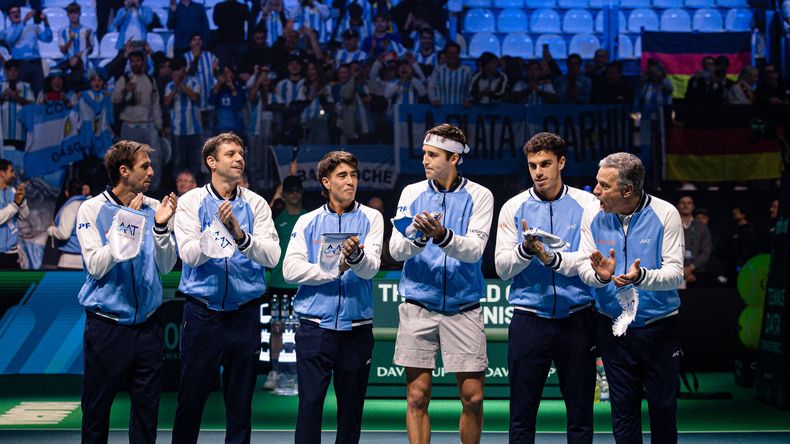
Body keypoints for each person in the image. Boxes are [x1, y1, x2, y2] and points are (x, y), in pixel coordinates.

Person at [172, 132, 281, 443]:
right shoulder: (191, 201)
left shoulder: (256, 204)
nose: (239, 158)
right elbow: (189, 255)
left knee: (240, 405)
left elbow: (272, 256)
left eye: (241, 153)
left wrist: (241, 236)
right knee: (190, 399)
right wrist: (218, 232)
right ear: (212, 162)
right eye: (231, 154)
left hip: (245, 315)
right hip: (202, 314)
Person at [389, 123, 493, 444]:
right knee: (417, 395)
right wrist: (420, 238)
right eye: (424, 153)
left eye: (433, 155)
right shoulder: (411, 193)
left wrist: (442, 234)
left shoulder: (480, 196)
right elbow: (396, 250)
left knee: (473, 397)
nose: (425, 160)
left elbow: (474, 250)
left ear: (454, 158)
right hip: (418, 305)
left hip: (464, 307)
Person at [495, 133, 599, 443]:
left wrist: (551, 258)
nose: (538, 172)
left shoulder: (588, 204)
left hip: (578, 320)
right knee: (521, 417)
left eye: (545, 164)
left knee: (581, 416)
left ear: (561, 162)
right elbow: (502, 269)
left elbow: (591, 257)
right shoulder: (513, 207)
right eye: (532, 165)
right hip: (528, 321)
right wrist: (525, 251)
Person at [76, 140, 178, 444]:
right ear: (124, 171)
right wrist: (125, 227)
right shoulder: (91, 209)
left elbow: (166, 266)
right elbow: (96, 266)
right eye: (144, 166)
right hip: (107, 327)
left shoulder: (155, 208)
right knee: (96, 413)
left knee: (147, 415)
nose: (152, 171)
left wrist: (161, 228)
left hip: (148, 327)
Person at [578, 152, 684, 443]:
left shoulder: (666, 213)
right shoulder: (592, 214)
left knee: (663, 408)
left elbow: (675, 273)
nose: (596, 191)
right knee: (623, 413)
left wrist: (642, 277)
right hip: (613, 330)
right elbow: (584, 269)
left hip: (659, 328)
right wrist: (600, 276)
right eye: (597, 183)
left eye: (604, 186)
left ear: (628, 190)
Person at [283, 151, 383, 443]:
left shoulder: (372, 218)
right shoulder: (307, 221)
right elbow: (290, 270)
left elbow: (371, 269)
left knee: (351, 413)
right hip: (314, 329)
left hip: (357, 330)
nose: (350, 181)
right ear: (326, 182)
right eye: (342, 176)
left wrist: (356, 257)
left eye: (353, 175)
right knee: (309, 406)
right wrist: (332, 271)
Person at [111, 50, 164, 191]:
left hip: (148, 125)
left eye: (138, 61)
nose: (135, 64)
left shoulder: (150, 80)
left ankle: (153, 189)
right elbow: (114, 99)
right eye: (133, 61)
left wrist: (159, 126)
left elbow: (156, 104)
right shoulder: (124, 79)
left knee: (156, 158)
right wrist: (125, 90)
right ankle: (130, 188)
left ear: (143, 62)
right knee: (128, 160)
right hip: (129, 126)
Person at [164, 57, 202, 180]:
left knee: (195, 162)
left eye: (178, 69)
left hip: (194, 130)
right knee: (178, 162)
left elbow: (194, 97)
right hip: (177, 130)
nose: (175, 72)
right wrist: (176, 86)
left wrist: (180, 84)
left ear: (185, 68)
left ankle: (196, 187)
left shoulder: (194, 82)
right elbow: (167, 102)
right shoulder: (170, 85)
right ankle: (179, 188)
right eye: (174, 70)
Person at [2, 5, 52, 95]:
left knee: (40, 93)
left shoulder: (33, 27)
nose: (16, 13)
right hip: (20, 65)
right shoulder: (6, 31)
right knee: (21, 93)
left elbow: (48, 38)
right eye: (13, 12)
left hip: (36, 63)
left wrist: (46, 22)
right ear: (9, 16)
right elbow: (12, 40)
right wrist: (24, 21)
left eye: (17, 11)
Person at [47, 179, 89, 270]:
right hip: (88, 262)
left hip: (69, 261)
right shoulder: (89, 206)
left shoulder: (70, 207)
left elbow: (64, 234)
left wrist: (51, 229)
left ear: (66, 192)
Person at [676, 196, 712, 287]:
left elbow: (706, 252)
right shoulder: (670, 225)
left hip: (697, 273)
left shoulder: (702, 227)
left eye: (689, 203)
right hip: (674, 272)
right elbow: (663, 249)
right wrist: (681, 270)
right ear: (678, 206)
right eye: (683, 203)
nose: (686, 205)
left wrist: (690, 268)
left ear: (693, 207)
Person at [0, 159, 28, 269]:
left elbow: (24, 216)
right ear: (2, 173)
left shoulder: (12, 191)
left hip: (13, 253)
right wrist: (15, 204)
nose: (13, 175)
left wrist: (22, 200)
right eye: (11, 171)